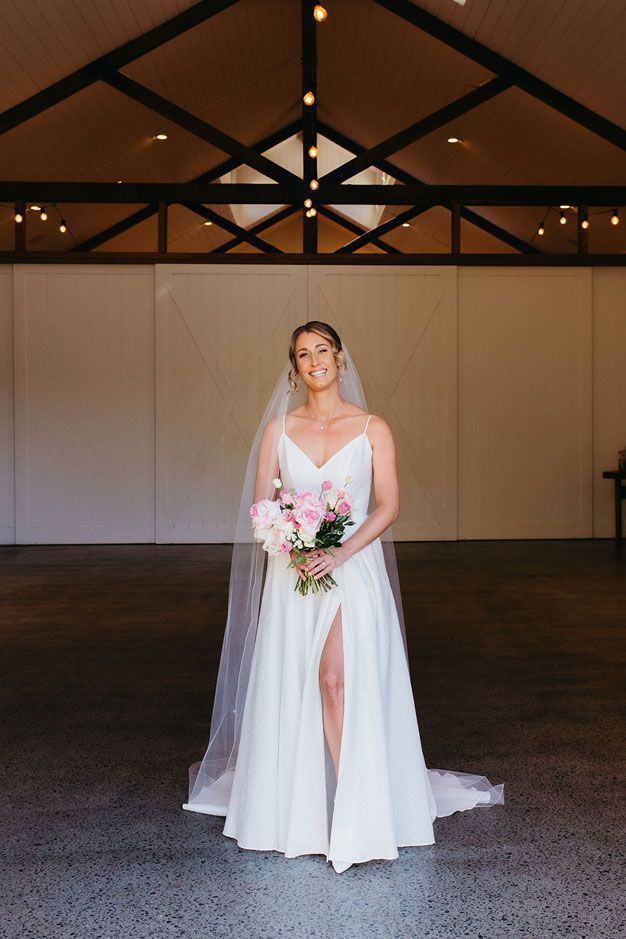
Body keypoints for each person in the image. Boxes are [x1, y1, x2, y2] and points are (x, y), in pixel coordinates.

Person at [183, 321, 504, 873]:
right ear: (294, 367)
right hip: (296, 574)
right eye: (303, 354)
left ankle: (355, 813)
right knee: (301, 684)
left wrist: (340, 552)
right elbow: (262, 507)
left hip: (351, 571)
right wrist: (290, 540)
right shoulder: (279, 430)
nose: (315, 361)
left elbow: (388, 505)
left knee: (334, 681)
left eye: (322, 350)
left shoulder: (372, 427)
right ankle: (305, 803)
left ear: (340, 356)